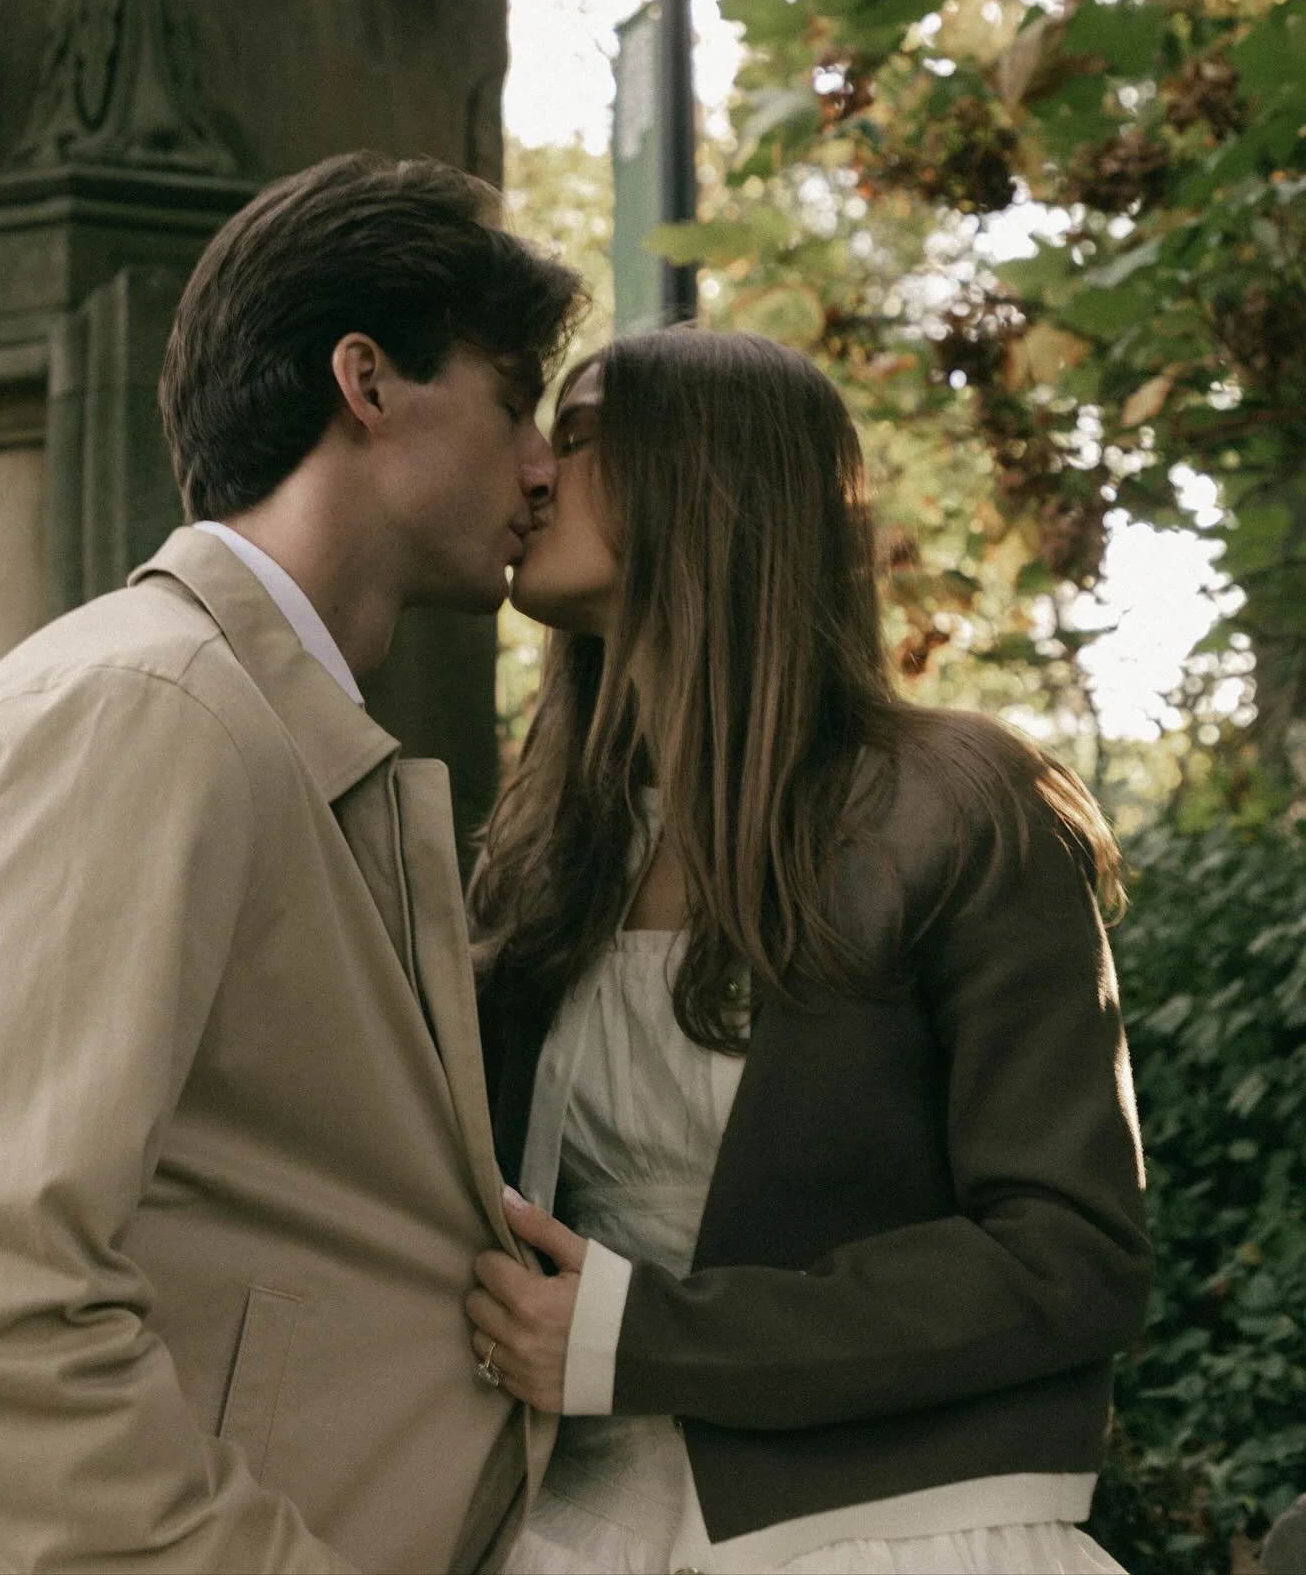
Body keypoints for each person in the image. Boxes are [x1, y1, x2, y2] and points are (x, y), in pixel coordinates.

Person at [0, 154, 586, 1575]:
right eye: (516, 402)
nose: (546, 466)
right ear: (368, 382)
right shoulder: (150, 714)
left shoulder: (235, 722)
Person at [466, 328, 1153, 1575]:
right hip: (569, 1523)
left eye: (574, 432)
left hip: (897, 1529)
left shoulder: (960, 806)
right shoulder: (548, 847)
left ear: (715, 475)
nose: (531, 472)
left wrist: (647, 1336)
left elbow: (1072, 1256)